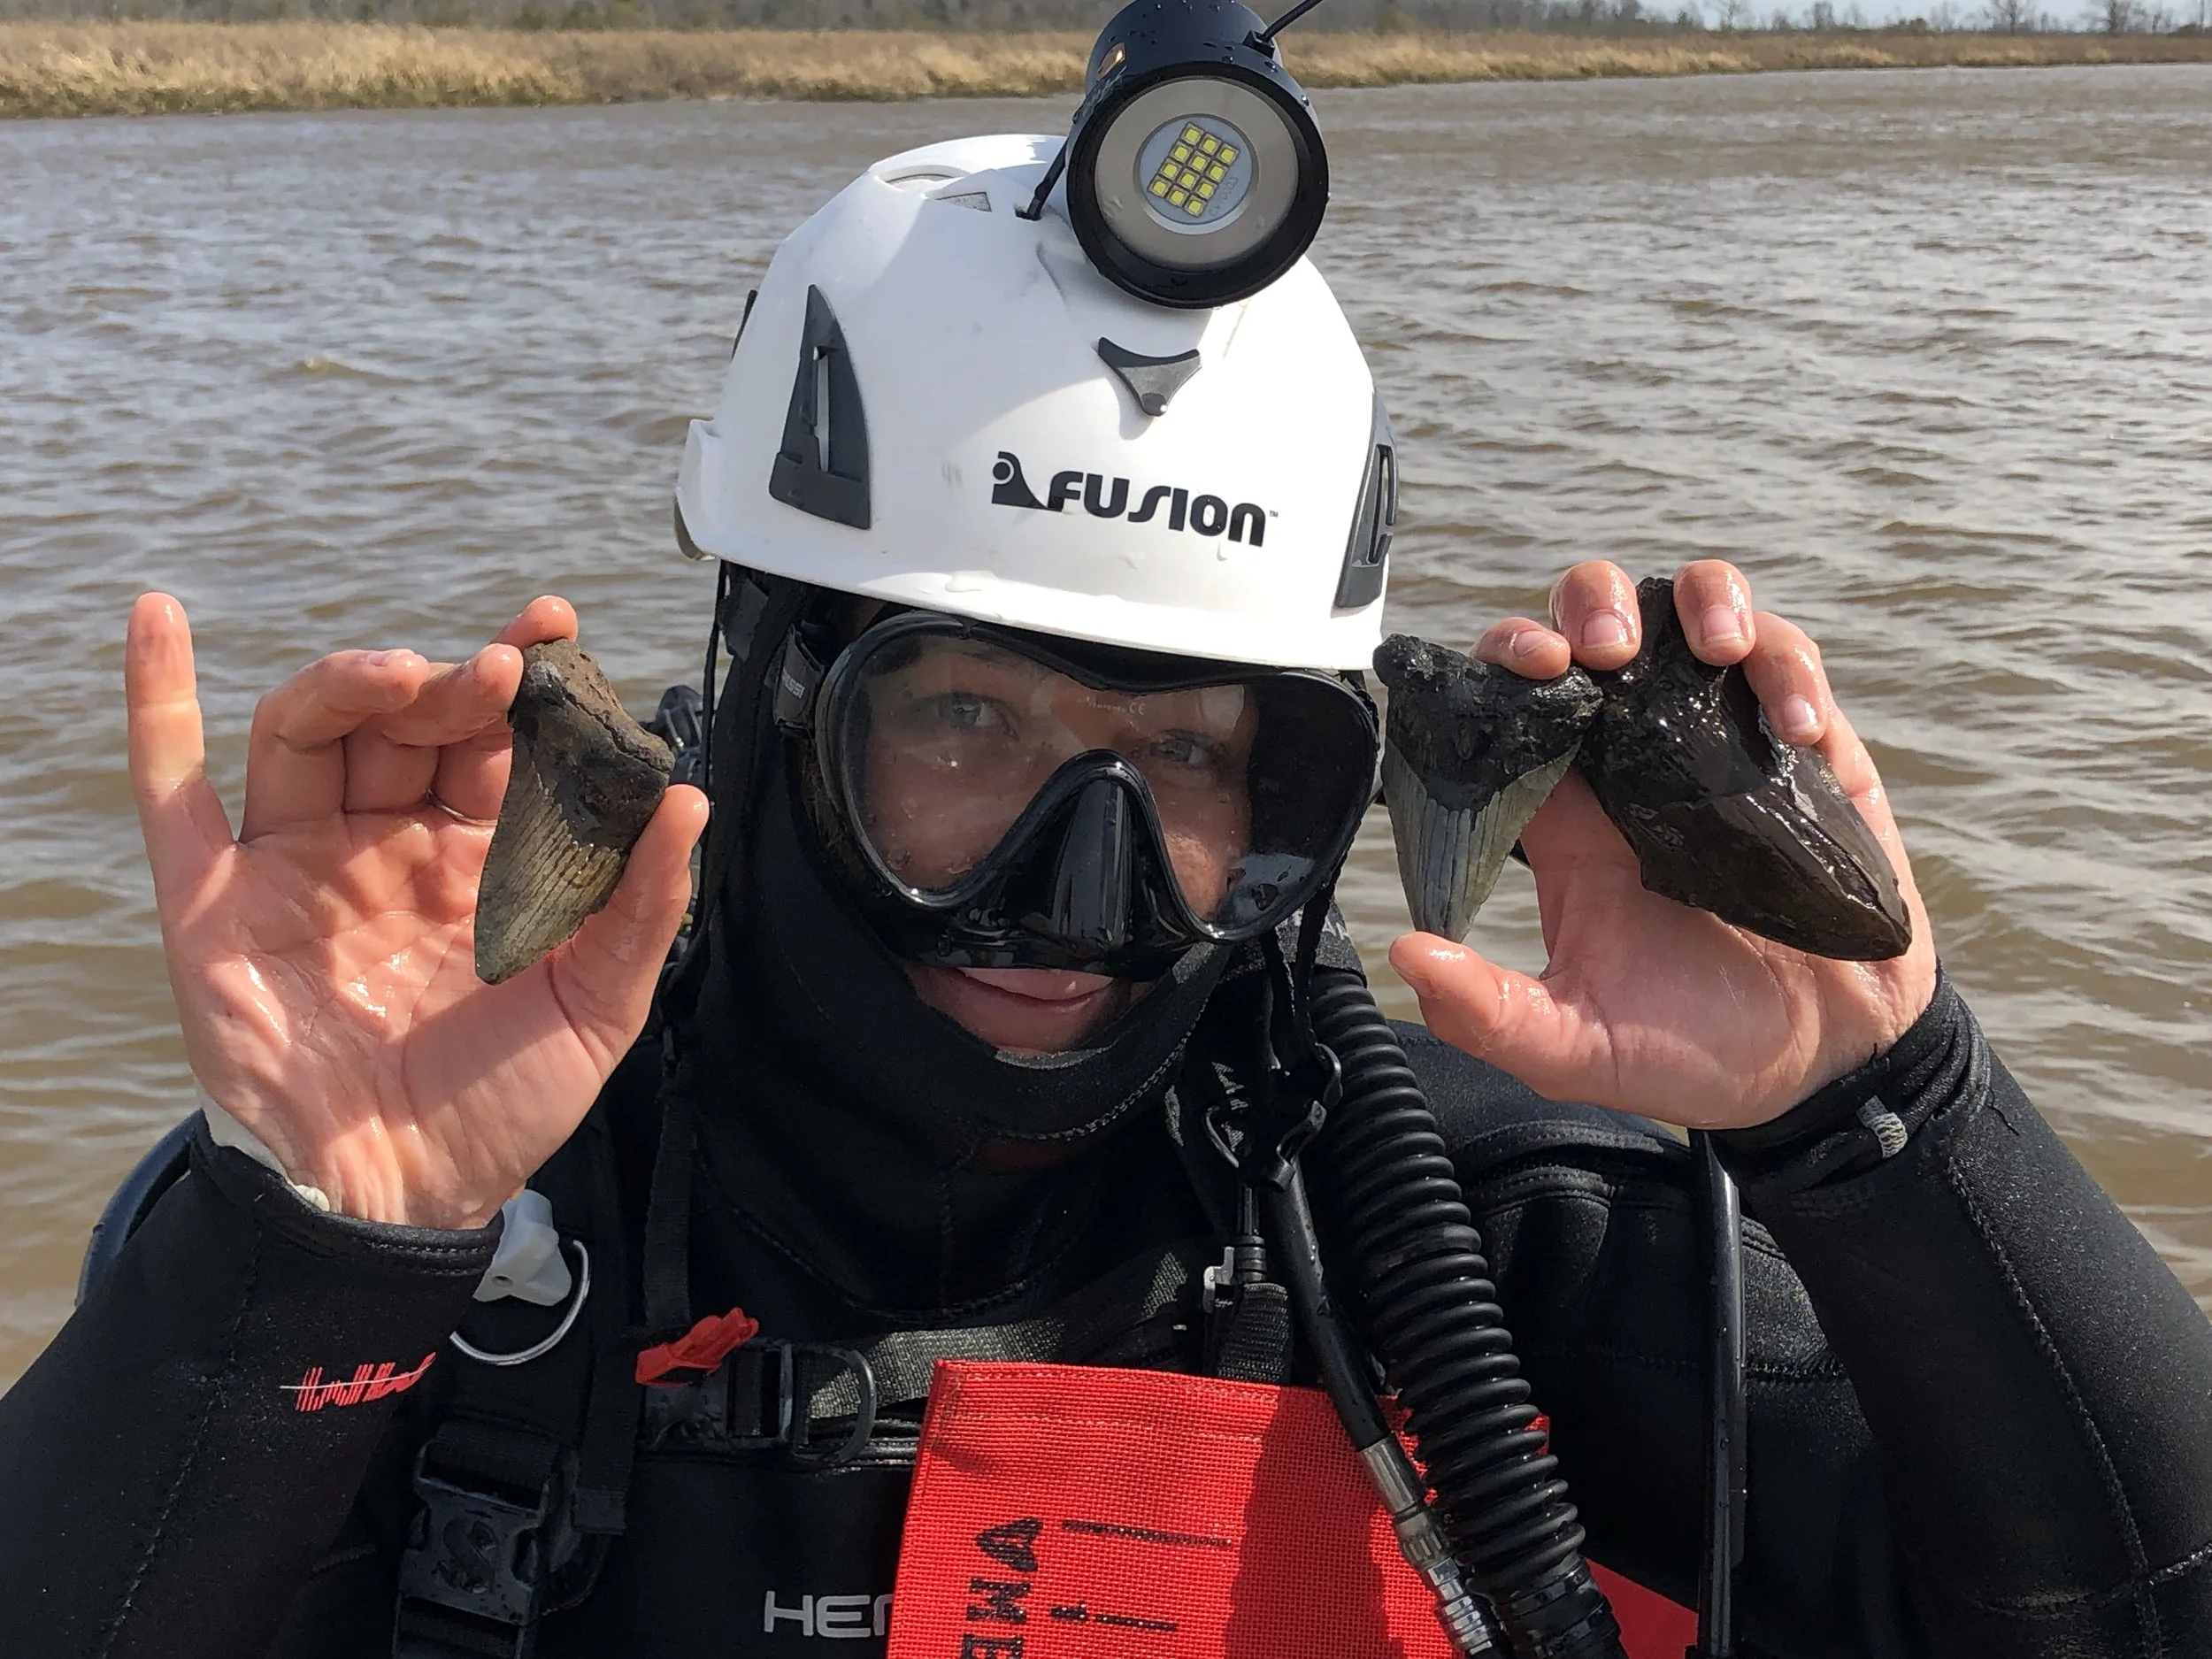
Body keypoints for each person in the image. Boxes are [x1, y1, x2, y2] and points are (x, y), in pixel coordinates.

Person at [3, 121, 2209, 1659]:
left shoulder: (1493, 1241)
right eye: (955, 725)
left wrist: (1877, 1114)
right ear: (764, 708)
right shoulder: (443, 1229)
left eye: (1187, 758)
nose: (1086, 889)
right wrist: (308, 1240)